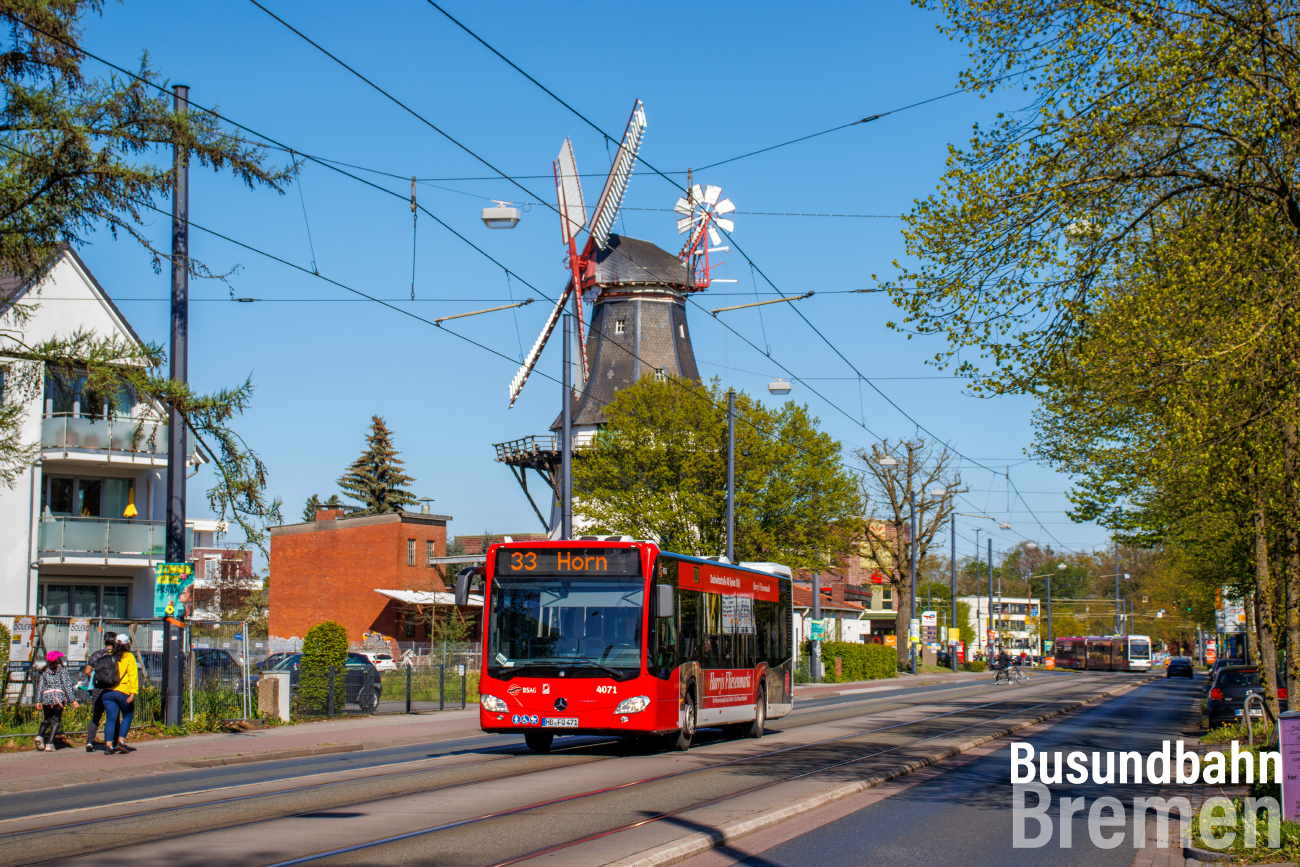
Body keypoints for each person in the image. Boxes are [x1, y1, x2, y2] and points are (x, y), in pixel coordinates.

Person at [102, 634, 138, 755]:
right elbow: (133, 675)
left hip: (108, 692)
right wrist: (133, 692)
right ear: (127, 644)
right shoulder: (129, 657)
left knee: (111, 719)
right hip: (123, 691)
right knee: (127, 715)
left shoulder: (109, 655)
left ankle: (108, 745)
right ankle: (120, 742)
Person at [35, 651, 79, 751]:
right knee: (56, 720)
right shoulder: (62, 670)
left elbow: (40, 686)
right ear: (58, 660)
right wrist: (73, 700)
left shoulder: (44, 670)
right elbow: (66, 685)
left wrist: (38, 700)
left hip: (46, 696)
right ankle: (49, 744)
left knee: (47, 718)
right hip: (58, 697)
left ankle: (40, 736)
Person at [83, 631, 117, 752]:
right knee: (113, 716)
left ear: (104, 641)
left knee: (96, 715)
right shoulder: (117, 655)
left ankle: (90, 741)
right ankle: (114, 741)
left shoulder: (97, 654)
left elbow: (87, 671)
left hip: (98, 688)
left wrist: (96, 678)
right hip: (113, 688)